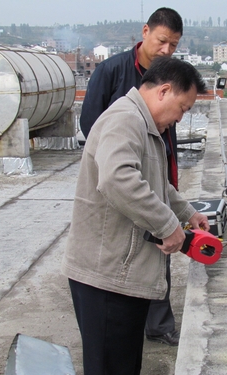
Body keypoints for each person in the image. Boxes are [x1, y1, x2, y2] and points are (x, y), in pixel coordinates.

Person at [61, 56, 209, 375]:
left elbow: (155, 181)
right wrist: (168, 225)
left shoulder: (143, 125)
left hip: (118, 275)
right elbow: (118, 178)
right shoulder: (126, 119)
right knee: (111, 367)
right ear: (164, 91)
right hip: (106, 278)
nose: (180, 118)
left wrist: (186, 212)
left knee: (123, 365)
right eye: (183, 108)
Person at [79, 7, 184, 346]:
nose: (166, 50)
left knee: (160, 251)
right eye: (162, 41)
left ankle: (157, 324)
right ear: (145, 32)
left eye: (174, 45)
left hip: (156, 174)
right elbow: (93, 127)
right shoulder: (113, 74)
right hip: (121, 177)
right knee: (131, 250)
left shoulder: (167, 75)